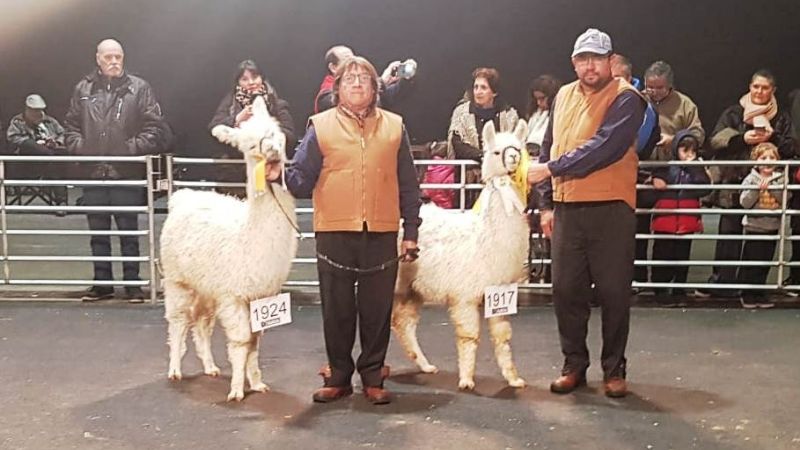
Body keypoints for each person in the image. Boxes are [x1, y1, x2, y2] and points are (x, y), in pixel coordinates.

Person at [269, 56, 420, 405]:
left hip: (381, 230)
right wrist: (280, 174)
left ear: (375, 88)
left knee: (377, 309)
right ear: (337, 89)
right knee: (336, 309)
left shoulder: (395, 127)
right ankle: (339, 375)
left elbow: (409, 185)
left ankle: (372, 375)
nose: (356, 84)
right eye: (349, 78)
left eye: (363, 79)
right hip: (334, 230)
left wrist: (410, 231)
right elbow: (302, 179)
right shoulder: (319, 126)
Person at [527, 28, 646, 398]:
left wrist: (550, 170)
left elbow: (604, 148)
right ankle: (573, 364)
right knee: (565, 292)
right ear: (574, 62)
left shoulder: (628, 98)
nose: (589, 65)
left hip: (611, 208)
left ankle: (614, 368)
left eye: (597, 58)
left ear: (611, 61)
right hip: (567, 209)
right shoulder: (563, 95)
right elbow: (549, 147)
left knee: (613, 294)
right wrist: (545, 204)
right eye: (583, 59)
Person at [64, 38, 173, 303]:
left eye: (118, 57)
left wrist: (128, 149)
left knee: (129, 232)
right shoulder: (83, 88)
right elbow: (70, 126)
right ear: (98, 58)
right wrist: (83, 148)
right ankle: (102, 284)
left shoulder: (139, 88)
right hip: (93, 172)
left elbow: (155, 128)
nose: (114, 62)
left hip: (127, 172)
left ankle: (133, 285)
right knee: (98, 233)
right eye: (108, 57)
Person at [702, 69, 796, 296]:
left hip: (766, 188)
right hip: (735, 182)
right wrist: (741, 139)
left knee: (761, 239)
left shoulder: (781, 117)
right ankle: (722, 284)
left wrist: (772, 137)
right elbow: (714, 140)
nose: (759, 91)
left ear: (772, 90)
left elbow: (792, 148)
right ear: (749, 87)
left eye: (765, 87)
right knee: (729, 234)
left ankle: (752, 287)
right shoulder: (734, 113)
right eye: (756, 86)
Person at [611, 54, 661, 288]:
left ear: (630, 78)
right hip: (605, 183)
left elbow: (638, 145)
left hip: (632, 181)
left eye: (619, 78)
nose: (615, 83)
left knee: (634, 234)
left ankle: (636, 281)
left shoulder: (644, 107)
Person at [648, 131, 711, 303]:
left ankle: (679, 289)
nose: (689, 155)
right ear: (676, 149)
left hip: (686, 221)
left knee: (682, 258)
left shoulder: (697, 169)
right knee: (661, 256)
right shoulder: (666, 166)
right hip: (665, 221)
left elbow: (705, 188)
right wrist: (655, 179)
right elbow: (655, 176)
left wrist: (693, 167)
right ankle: (660, 290)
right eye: (685, 151)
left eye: (693, 152)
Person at [447, 67, 520, 208]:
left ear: (494, 92)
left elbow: (512, 145)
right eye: (476, 87)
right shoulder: (462, 113)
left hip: (502, 181)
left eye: (483, 88)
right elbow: (457, 144)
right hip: (469, 181)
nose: (478, 92)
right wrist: (485, 156)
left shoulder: (509, 115)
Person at [209, 59, 296, 156]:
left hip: (269, 162)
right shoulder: (230, 103)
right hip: (235, 164)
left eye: (255, 77)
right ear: (238, 82)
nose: (251, 82)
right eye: (244, 79)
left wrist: (266, 130)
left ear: (262, 78)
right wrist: (237, 119)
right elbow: (213, 129)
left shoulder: (277, 104)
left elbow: (291, 137)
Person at [737, 143, 787, 308]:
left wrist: (772, 188)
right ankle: (747, 293)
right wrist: (756, 189)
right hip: (754, 227)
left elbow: (784, 199)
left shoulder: (781, 178)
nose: (768, 161)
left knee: (765, 262)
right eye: (763, 157)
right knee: (752, 261)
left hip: (772, 227)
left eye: (772, 157)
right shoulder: (750, 179)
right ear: (756, 161)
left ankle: (759, 291)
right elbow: (744, 202)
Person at [6, 94, 69, 208]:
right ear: (27, 109)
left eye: (39, 110)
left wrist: (56, 142)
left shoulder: (50, 121)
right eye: (34, 110)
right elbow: (12, 138)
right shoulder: (17, 122)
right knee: (33, 146)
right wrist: (35, 143)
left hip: (49, 159)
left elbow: (63, 133)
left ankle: (62, 201)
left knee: (57, 159)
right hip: (26, 161)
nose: (37, 113)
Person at [313, 45, 416, 114]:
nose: (354, 62)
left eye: (354, 58)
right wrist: (381, 81)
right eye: (347, 59)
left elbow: (386, 98)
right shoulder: (325, 96)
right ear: (333, 67)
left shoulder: (366, 89)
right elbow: (349, 101)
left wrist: (406, 78)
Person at [643, 61, 705, 161]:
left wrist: (675, 140)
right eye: (650, 87)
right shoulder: (638, 100)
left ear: (670, 85)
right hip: (641, 163)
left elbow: (698, 135)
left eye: (659, 88)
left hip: (675, 164)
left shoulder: (685, 104)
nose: (654, 92)